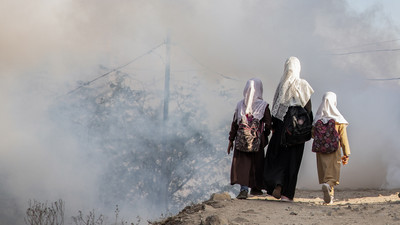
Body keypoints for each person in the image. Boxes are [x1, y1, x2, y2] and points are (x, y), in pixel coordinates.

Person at [263, 56, 314, 202]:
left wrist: (273, 127)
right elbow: (308, 109)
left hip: (281, 128)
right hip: (297, 129)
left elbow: (276, 109)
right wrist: (308, 129)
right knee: (293, 161)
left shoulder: (282, 85)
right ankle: (287, 194)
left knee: (277, 158)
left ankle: (276, 183)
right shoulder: (303, 85)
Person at [227, 78, 272, 199]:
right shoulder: (264, 106)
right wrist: (263, 136)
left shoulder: (240, 104)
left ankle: (243, 189)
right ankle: (256, 188)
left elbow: (235, 123)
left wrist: (231, 140)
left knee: (243, 165)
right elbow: (268, 123)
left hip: (241, 141)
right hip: (257, 141)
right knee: (256, 164)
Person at [312, 92, 350, 204]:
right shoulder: (339, 120)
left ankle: (330, 195)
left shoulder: (318, 120)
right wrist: (346, 153)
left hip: (320, 152)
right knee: (333, 174)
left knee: (325, 173)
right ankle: (328, 186)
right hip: (334, 151)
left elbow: (313, 135)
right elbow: (344, 139)